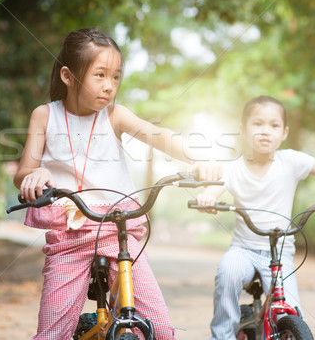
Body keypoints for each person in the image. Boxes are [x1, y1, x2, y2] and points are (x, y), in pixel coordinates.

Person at [14, 28, 220, 340]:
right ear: (68, 76)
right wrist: (37, 174)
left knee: (160, 331)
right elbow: (23, 172)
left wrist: (199, 158)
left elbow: (161, 137)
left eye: (116, 77)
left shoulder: (115, 116)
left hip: (118, 231)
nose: (109, 86)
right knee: (52, 334)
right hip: (69, 235)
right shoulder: (45, 116)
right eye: (100, 75)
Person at [196, 95, 315, 340]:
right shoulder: (233, 168)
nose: (265, 131)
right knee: (228, 272)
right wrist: (208, 197)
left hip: (280, 254)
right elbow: (214, 188)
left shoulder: (291, 161)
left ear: (284, 132)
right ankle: (222, 335)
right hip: (243, 249)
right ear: (243, 130)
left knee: (289, 313)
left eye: (274, 125)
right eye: (257, 124)